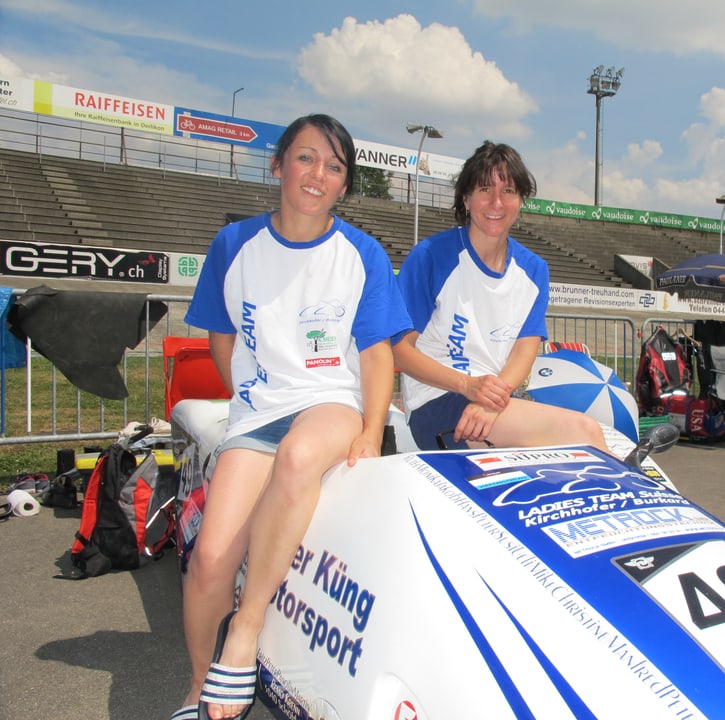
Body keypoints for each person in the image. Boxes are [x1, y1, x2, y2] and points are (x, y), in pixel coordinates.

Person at [172, 114, 412, 720]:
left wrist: (368, 430)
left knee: (301, 456)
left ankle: (245, 632)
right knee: (207, 562)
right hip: (258, 414)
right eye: (306, 158)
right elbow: (221, 335)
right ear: (278, 165)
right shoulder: (235, 245)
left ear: (344, 184)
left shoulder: (362, 253)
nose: (318, 175)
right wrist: (248, 392)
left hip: (330, 402)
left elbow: (376, 353)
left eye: (334, 167)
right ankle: (200, 687)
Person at [392, 140, 609, 452]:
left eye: (508, 191)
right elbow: (399, 350)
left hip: (494, 402)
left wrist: (493, 399)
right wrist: (467, 386)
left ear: (520, 200)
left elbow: (525, 348)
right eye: (484, 189)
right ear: (466, 198)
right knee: (584, 432)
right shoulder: (430, 257)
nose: (496, 202)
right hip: (436, 401)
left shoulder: (533, 270)